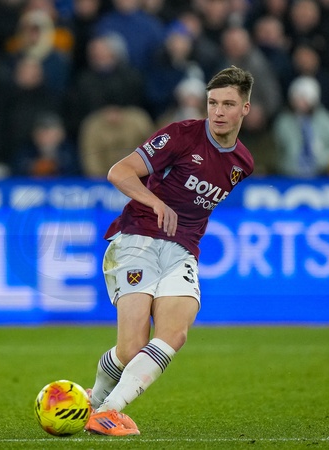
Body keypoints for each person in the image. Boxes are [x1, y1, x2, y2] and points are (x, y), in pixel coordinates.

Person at [83, 66, 255, 436]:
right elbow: (119, 172)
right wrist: (155, 202)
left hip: (182, 251)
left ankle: (108, 411)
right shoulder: (180, 135)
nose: (218, 111)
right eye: (212, 103)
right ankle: (93, 399)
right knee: (131, 349)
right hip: (138, 238)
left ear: (245, 109)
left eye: (228, 104)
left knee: (175, 333)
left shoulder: (243, 164)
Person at [273, 76, 329, 177]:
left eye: (304, 97)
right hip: (289, 174)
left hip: (323, 173)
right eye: (297, 97)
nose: (300, 102)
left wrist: (323, 160)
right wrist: (287, 164)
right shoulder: (283, 122)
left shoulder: (327, 121)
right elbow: (277, 149)